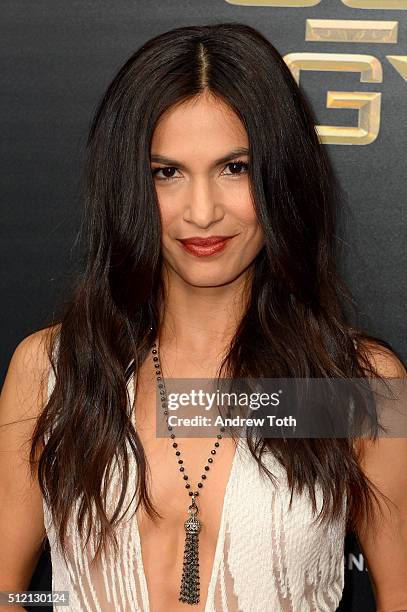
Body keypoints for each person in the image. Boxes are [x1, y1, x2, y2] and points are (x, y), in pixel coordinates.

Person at [0, 22, 406, 612]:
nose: (202, 211)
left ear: (280, 176)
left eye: (234, 168)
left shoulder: (356, 387)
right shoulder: (55, 371)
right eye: (166, 173)